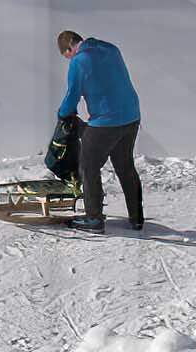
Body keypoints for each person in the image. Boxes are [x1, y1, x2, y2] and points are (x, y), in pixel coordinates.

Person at [55, 29, 148, 229]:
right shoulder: (111, 49)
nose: (69, 58)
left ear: (70, 47)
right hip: (131, 116)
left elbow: (72, 96)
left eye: (67, 55)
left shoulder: (79, 61)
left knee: (88, 165)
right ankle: (137, 218)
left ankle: (94, 218)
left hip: (106, 121)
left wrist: (63, 114)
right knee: (125, 166)